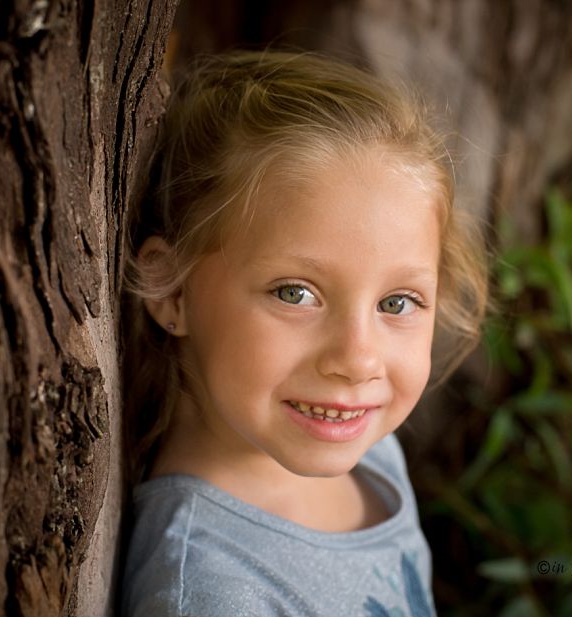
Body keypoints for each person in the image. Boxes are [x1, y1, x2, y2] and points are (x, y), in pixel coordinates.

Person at [120, 50, 488, 616]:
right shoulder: (210, 594)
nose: (358, 360)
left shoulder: (369, 450)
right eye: (295, 293)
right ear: (174, 293)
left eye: (397, 302)